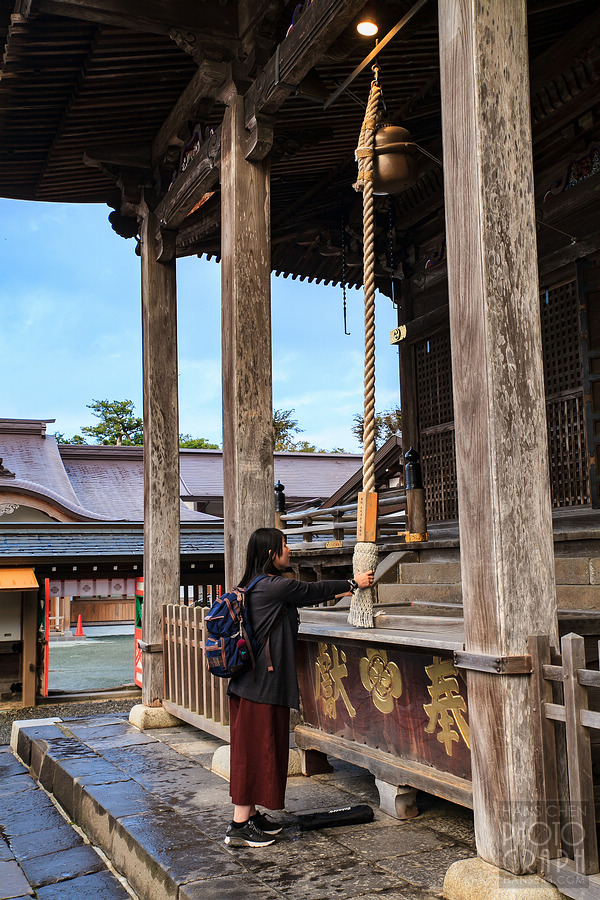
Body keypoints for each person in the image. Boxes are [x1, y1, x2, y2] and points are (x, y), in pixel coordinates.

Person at [224, 527, 374, 847]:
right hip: (258, 688)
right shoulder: (271, 586)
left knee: (263, 751)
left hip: (254, 685)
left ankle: (250, 816)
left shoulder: (254, 585)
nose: (288, 549)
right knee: (253, 753)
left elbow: (307, 594)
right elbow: (308, 590)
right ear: (270, 553)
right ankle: (239, 826)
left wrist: (342, 591)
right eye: (283, 545)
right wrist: (352, 583)